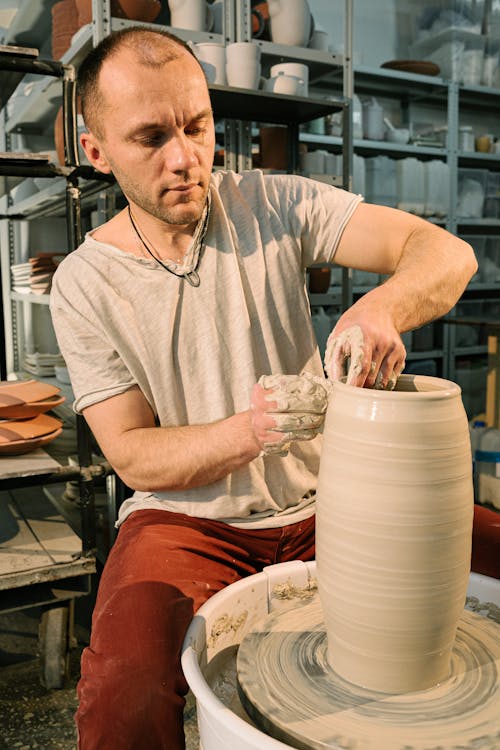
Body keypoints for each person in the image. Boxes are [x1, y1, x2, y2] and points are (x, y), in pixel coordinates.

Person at [49, 26, 477, 750]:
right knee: (122, 690)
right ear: (97, 153)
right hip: (189, 520)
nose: (186, 159)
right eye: (151, 137)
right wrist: (253, 430)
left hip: (329, 498)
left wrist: (381, 307)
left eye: (197, 126)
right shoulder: (85, 284)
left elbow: (447, 253)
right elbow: (134, 458)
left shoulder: (274, 205)